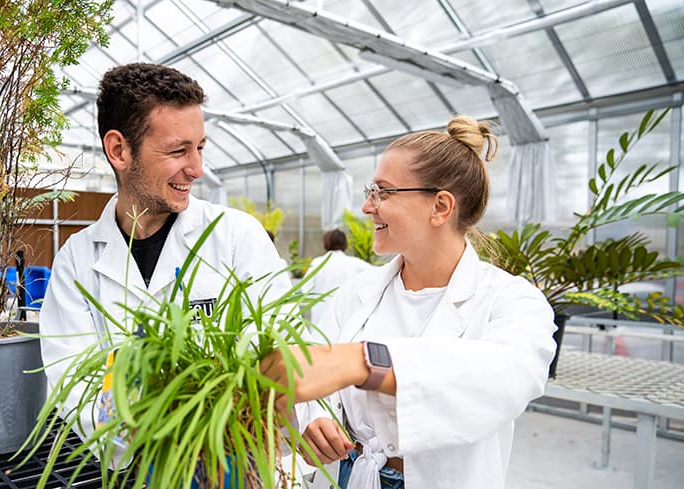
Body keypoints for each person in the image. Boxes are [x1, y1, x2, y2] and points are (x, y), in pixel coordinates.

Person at [260, 116, 557, 489]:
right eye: (371, 191)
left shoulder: (512, 301)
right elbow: (323, 388)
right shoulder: (358, 291)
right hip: (349, 474)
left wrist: (364, 361)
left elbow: (502, 380)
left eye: (383, 192)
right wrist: (315, 420)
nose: (368, 207)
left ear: (440, 207)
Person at [39, 63, 291, 482]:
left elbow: (283, 341)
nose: (196, 168)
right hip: (132, 470)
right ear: (119, 151)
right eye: (178, 151)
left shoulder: (234, 236)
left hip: (234, 465)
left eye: (200, 148)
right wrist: (155, 439)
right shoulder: (77, 260)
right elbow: (71, 381)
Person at [304, 229, 373, 326]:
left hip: (320, 315)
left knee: (320, 339)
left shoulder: (317, 263)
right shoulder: (354, 263)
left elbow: (305, 288)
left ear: (326, 243)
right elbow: (377, 274)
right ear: (345, 244)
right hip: (346, 314)